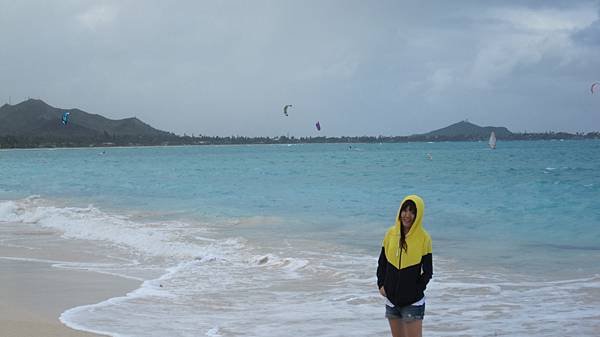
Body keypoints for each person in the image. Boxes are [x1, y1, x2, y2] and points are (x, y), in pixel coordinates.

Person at [377, 195, 433, 337]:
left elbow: (428, 272)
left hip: (412, 303)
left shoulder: (424, 238)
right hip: (392, 301)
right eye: (405, 210)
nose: (407, 215)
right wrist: (381, 284)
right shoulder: (390, 234)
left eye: (412, 211)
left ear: (418, 215)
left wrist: (415, 290)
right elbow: (382, 263)